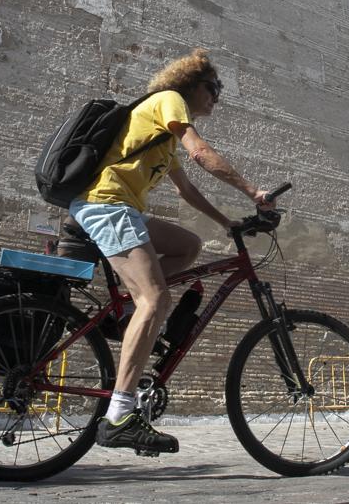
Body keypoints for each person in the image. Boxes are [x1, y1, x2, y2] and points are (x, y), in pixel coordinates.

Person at [69, 48, 271, 454]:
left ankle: (129, 313)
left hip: (124, 209)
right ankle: (120, 416)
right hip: (106, 203)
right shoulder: (169, 102)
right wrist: (253, 192)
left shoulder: (163, 137)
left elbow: (188, 190)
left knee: (188, 246)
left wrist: (227, 222)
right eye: (214, 88)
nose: (216, 97)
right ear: (191, 84)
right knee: (156, 298)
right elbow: (200, 153)